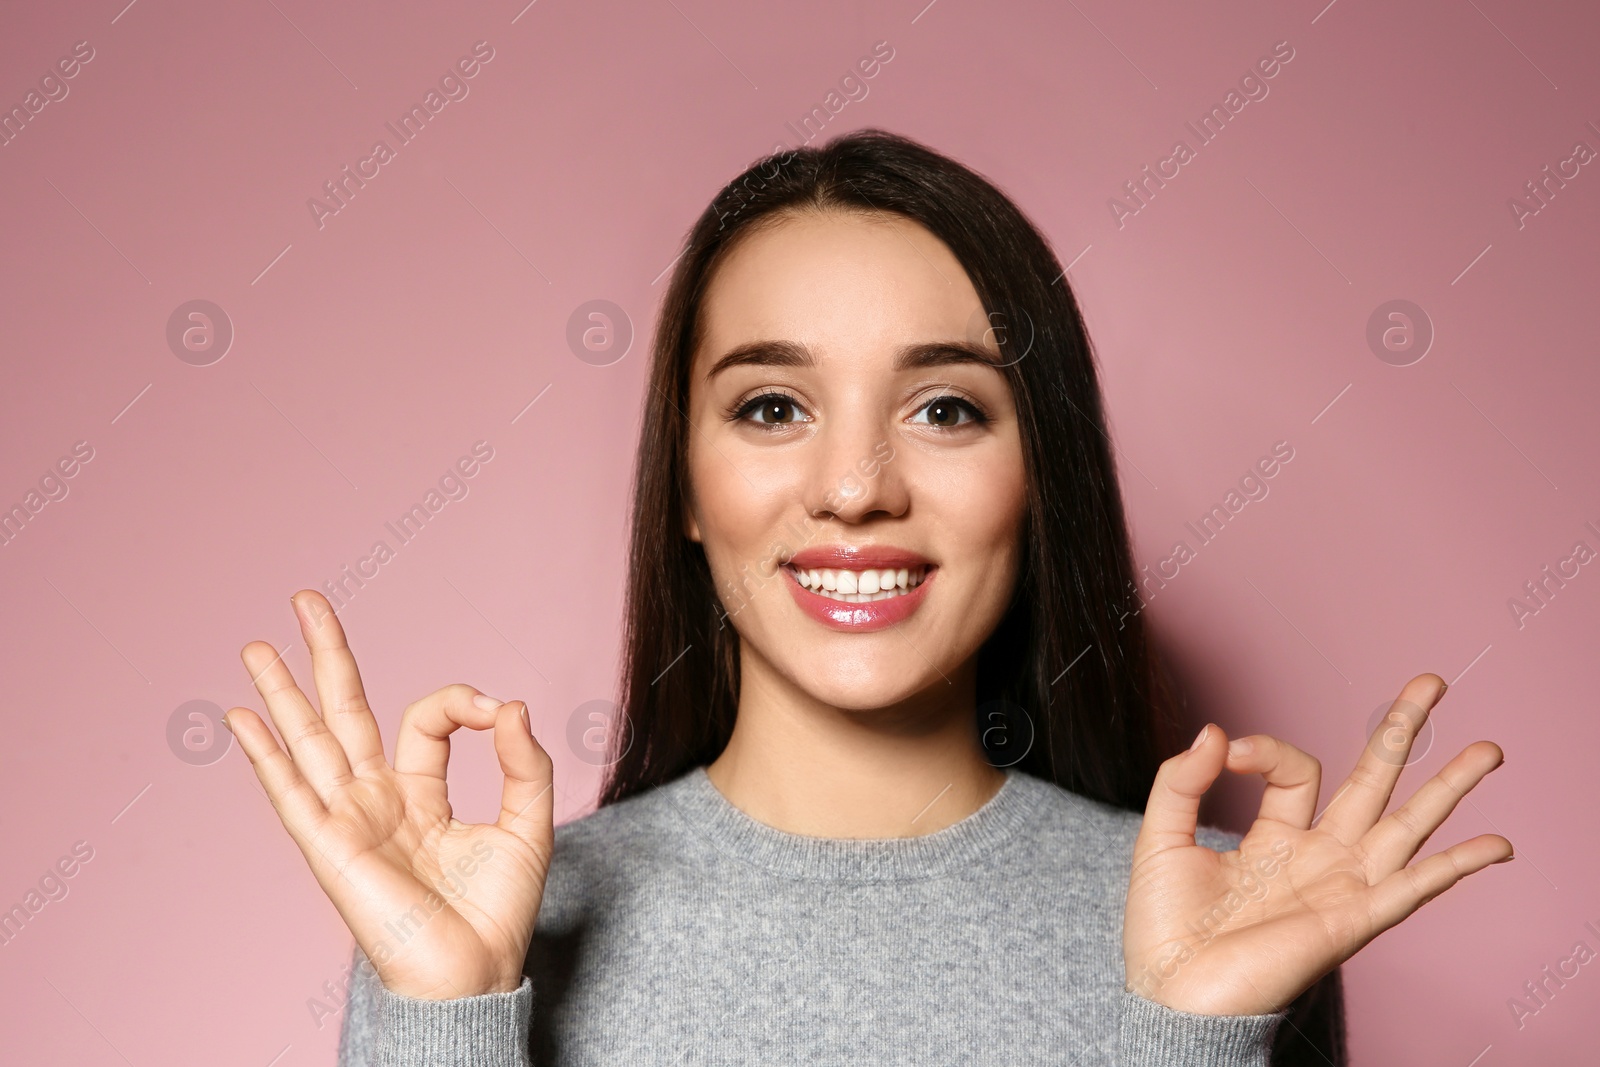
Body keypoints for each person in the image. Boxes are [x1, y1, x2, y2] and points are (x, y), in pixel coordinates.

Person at [223, 129, 1511, 1066]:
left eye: (946, 408)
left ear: (1040, 476)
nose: (854, 488)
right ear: (683, 481)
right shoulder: (491, 920)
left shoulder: (1244, 909)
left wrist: (1192, 1043)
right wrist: (443, 1016)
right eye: (772, 407)